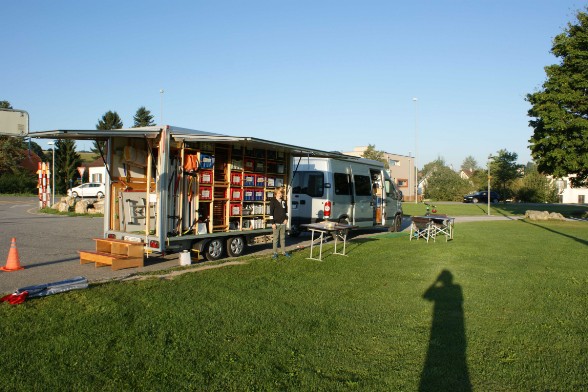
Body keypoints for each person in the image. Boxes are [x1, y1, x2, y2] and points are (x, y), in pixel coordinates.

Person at [269, 187, 291, 260]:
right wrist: (272, 223)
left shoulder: (284, 201)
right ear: (276, 193)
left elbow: (286, 212)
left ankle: (283, 252)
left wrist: (286, 219)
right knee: (275, 239)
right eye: (279, 193)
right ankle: (275, 253)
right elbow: (271, 213)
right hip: (276, 223)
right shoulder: (273, 201)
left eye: (281, 193)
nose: (280, 194)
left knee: (283, 238)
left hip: (283, 223)